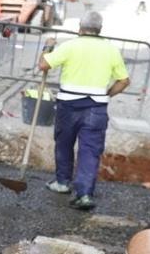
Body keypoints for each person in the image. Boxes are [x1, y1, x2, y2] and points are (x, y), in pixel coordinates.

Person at [39, 12, 130, 209]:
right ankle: (84, 194)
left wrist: (47, 46)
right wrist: (107, 95)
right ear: (100, 29)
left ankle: (63, 183)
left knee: (64, 144)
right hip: (96, 107)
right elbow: (124, 81)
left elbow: (44, 65)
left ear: (80, 27)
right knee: (90, 150)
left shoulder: (70, 45)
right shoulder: (111, 50)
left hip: (68, 105)